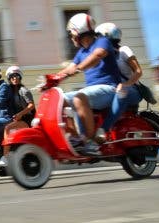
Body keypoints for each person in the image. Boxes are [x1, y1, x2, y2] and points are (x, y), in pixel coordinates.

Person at [58, 13, 122, 155]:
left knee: (79, 97)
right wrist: (52, 79)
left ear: (78, 31)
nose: (70, 37)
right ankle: (76, 138)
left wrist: (79, 67)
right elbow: (70, 68)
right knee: (59, 101)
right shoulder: (81, 52)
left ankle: (91, 142)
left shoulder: (101, 41)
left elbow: (97, 55)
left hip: (109, 88)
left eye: (71, 33)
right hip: (92, 91)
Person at [95, 22, 142, 134]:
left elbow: (138, 71)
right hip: (113, 90)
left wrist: (126, 84)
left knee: (122, 91)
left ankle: (103, 130)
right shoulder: (102, 55)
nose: (97, 41)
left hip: (132, 90)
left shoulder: (123, 50)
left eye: (99, 37)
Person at [0, 66, 36, 166]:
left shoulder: (24, 90)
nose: (15, 78)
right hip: (18, 119)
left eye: (17, 76)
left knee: (8, 128)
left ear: (20, 77)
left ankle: (5, 157)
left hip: (27, 119)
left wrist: (20, 114)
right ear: (9, 78)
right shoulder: (10, 90)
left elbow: (31, 105)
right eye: (12, 76)